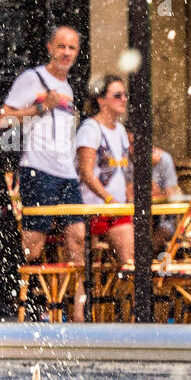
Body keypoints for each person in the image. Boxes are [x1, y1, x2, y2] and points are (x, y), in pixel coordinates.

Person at [0, 25, 87, 320]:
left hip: (67, 174)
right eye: (61, 46)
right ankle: (17, 303)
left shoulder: (68, 87)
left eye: (72, 48)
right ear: (50, 47)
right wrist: (38, 108)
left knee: (77, 239)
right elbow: (3, 119)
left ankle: (78, 313)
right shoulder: (31, 79)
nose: (66, 53)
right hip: (38, 170)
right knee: (33, 247)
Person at [76, 75, 134, 267]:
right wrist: (110, 200)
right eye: (117, 95)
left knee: (130, 260)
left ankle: (126, 294)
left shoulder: (120, 130)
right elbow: (86, 173)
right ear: (101, 100)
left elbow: (125, 173)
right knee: (87, 266)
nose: (124, 99)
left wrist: (128, 199)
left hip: (116, 209)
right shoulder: (90, 129)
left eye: (125, 95)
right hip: (94, 209)